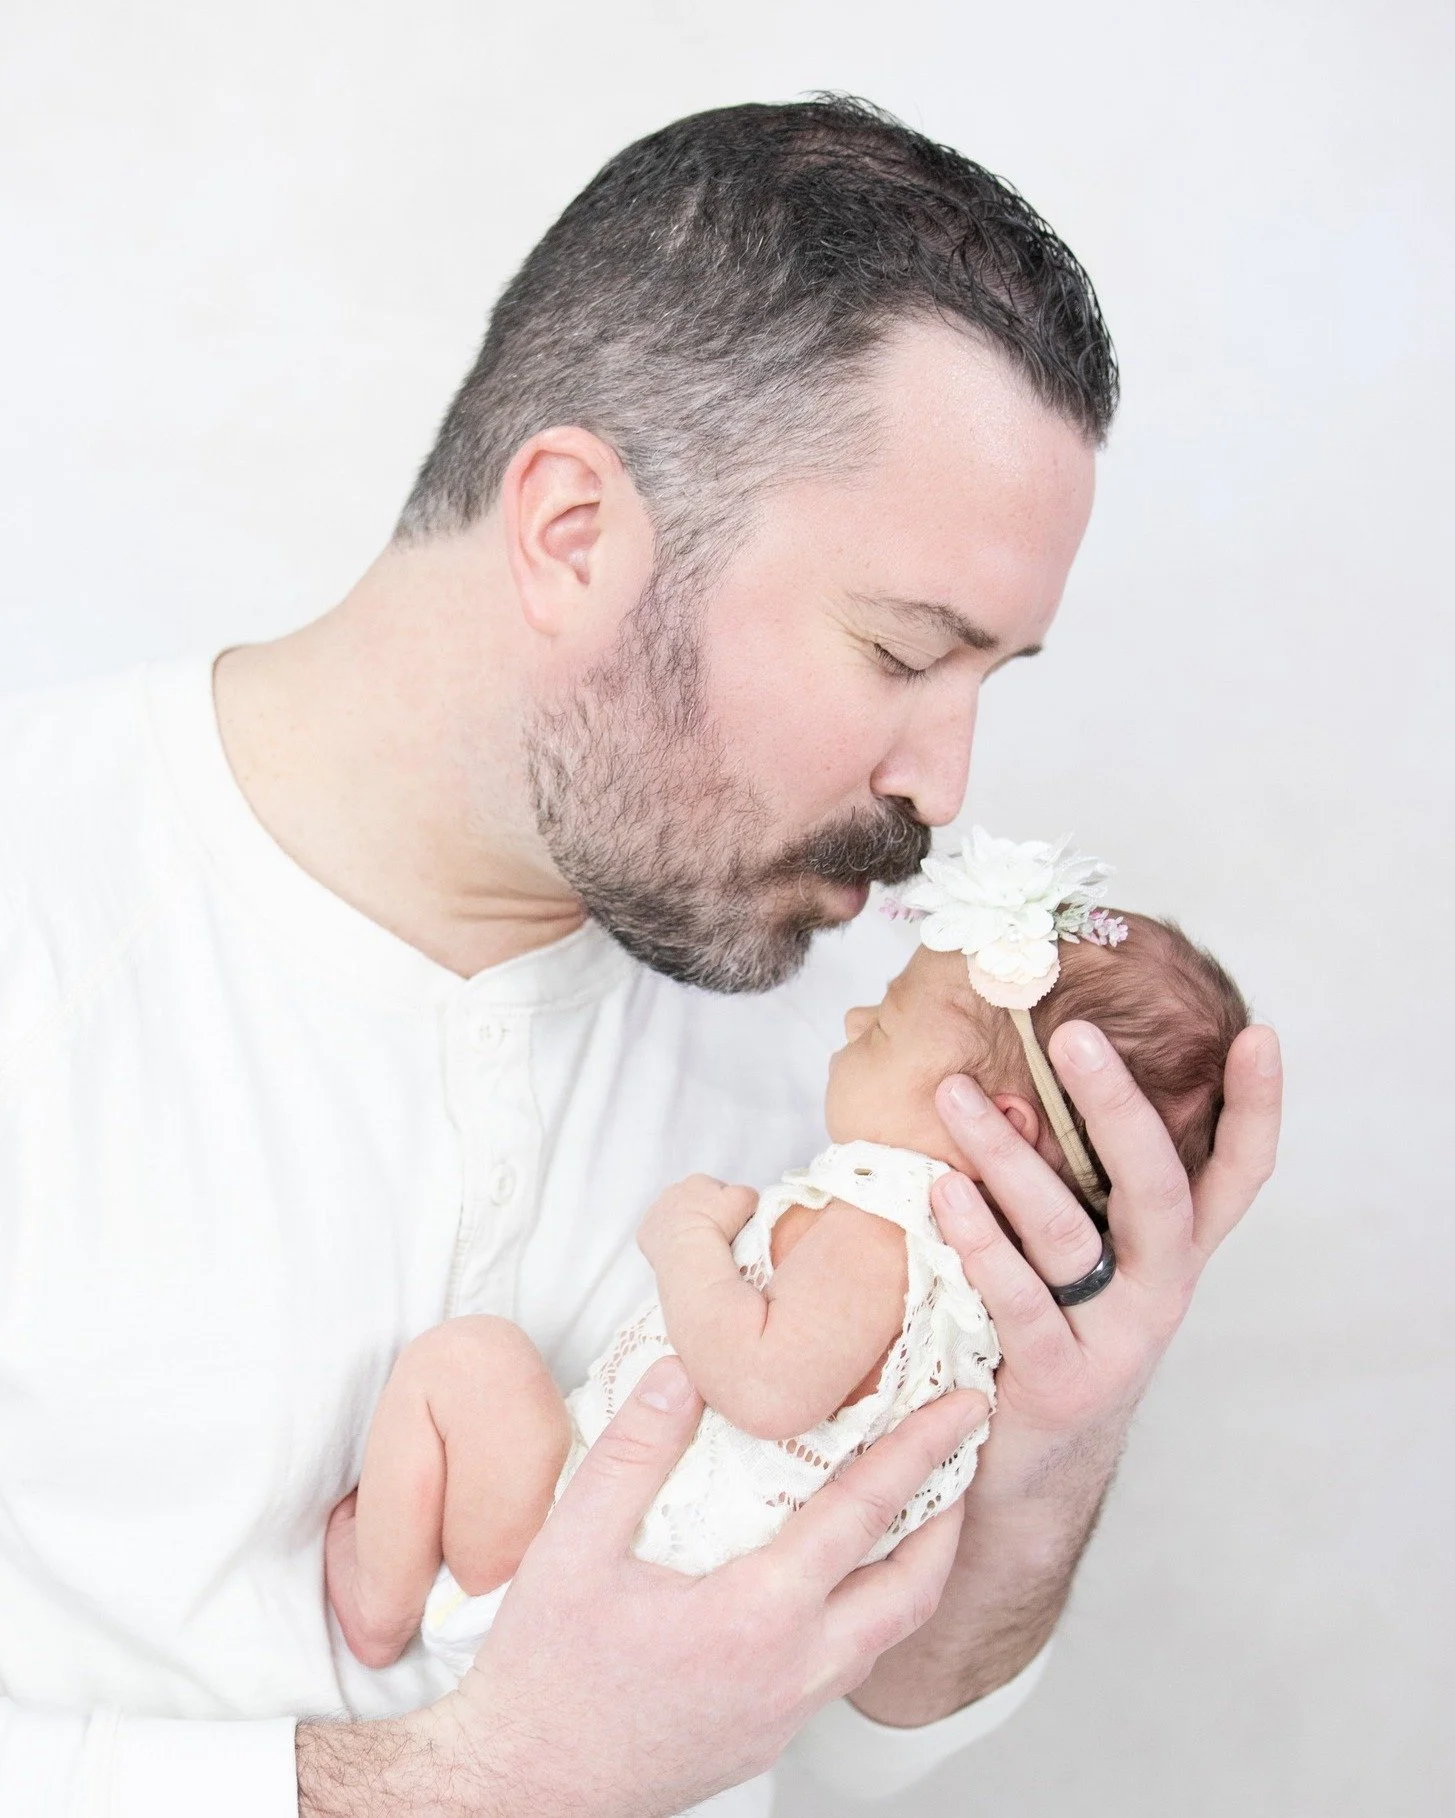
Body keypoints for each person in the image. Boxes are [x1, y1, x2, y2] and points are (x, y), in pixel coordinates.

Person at [0, 97, 1281, 1818]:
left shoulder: (885, 1059)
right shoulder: (43, 903)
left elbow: (848, 1736)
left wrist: (1053, 1449)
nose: (943, 787)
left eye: (991, 677)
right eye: (905, 650)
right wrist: (477, 1784)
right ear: (572, 532)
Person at [323, 840, 1249, 1690]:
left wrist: (683, 1240)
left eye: (883, 1028)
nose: (852, 1016)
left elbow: (766, 1386)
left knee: (469, 1361)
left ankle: (378, 1601)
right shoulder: (982, 1301)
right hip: (673, 1630)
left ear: (991, 1124)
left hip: (560, 1564)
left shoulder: (880, 1221)